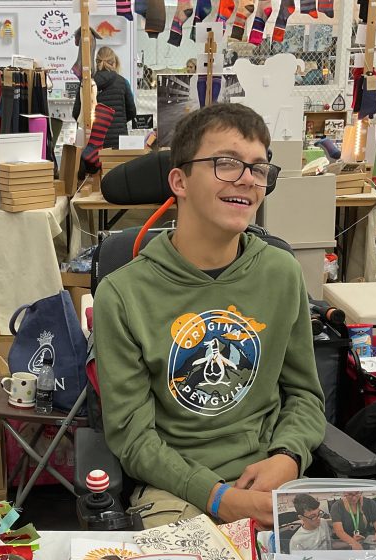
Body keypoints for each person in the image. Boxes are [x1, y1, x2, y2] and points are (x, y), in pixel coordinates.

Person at [93, 103, 326, 530]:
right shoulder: (123, 295)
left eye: (259, 169)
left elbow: (306, 395)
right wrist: (218, 497)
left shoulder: (280, 273)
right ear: (179, 180)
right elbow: (133, 437)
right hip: (175, 486)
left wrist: (289, 456)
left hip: (269, 474)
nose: (247, 180)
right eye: (226, 163)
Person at [72, 46, 137, 151]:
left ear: (96, 63)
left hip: (94, 141)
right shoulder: (123, 82)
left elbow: (77, 113)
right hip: (119, 141)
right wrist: (118, 120)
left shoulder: (87, 83)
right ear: (114, 63)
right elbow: (132, 112)